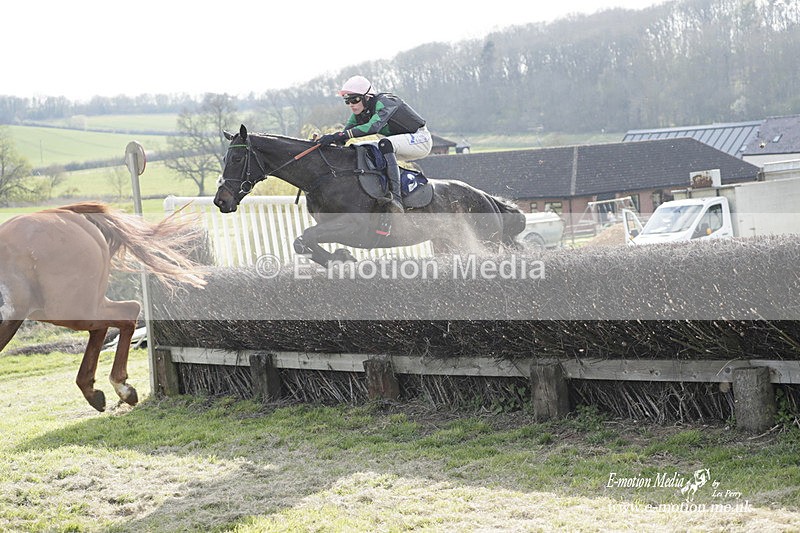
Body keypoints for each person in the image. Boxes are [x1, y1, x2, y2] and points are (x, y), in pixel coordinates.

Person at [316, 75, 432, 214]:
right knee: (362, 149)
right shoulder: (358, 114)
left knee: (384, 143)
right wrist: (323, 141)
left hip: (421, 139)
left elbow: (373, 127)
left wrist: (338, 135)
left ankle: (396, 200)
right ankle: (379, 192)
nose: (351, 104)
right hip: (398, 144)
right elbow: (343, 138)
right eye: (347, 101)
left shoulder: (386, 101)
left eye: (355, 99)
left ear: (367, 97)